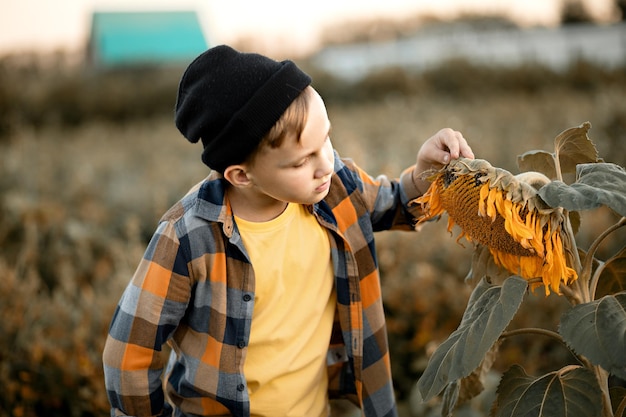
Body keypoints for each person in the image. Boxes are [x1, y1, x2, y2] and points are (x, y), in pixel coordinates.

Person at [102, 44, 474, 417]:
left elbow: (395, 205)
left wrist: (426, 171)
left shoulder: (336, 187)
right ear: (241, 175)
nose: (325, 164)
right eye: (301, 161)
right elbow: (127, 354)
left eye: (325, 140)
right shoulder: (188, 237)